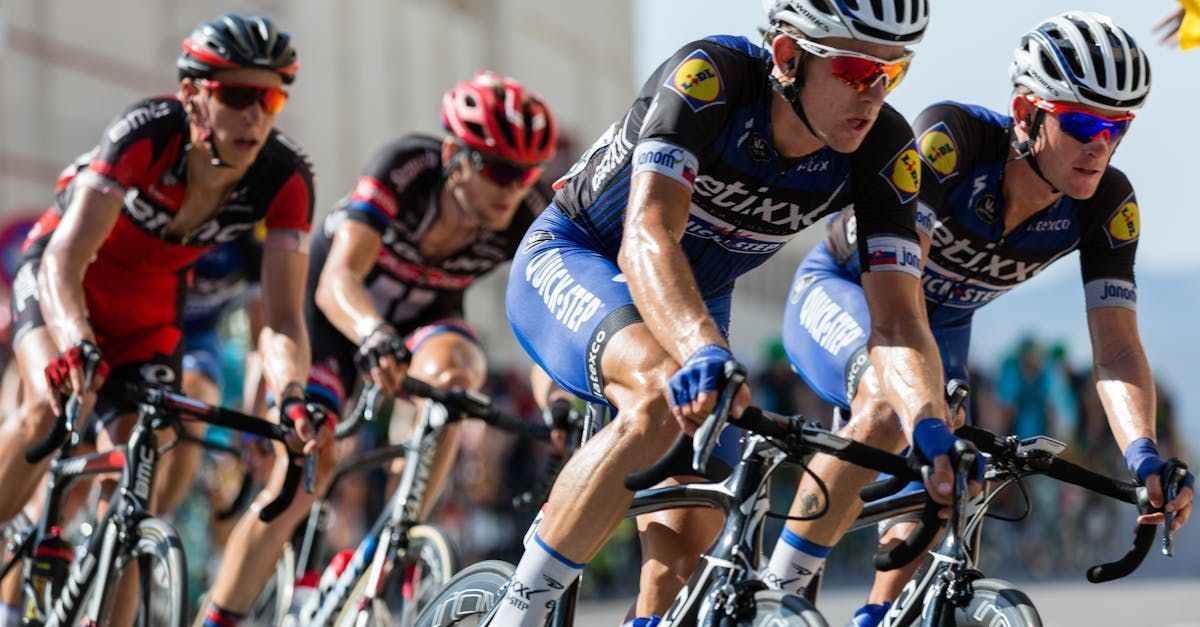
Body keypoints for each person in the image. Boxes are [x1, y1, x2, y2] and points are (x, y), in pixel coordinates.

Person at [498, 0, 973, 624]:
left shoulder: (884, 147)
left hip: (692, 296)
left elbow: (899, 323)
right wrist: (703, 350)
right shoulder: (711, 79)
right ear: (787, 57)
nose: (874, 94)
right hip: (584, 252)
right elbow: (647, 235)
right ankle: (517, 611)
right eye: (858, 71)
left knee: (688, 547)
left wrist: (929, 425)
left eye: (893, 74)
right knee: (656, 398)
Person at [769, 12, 1194, 626]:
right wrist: (928, 396)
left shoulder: (1109, 205)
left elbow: (1118, 350)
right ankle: (779, 587)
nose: (1099, 144)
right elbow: (895, 303)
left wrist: (1145, 456)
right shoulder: (952, 142)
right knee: (896, 406)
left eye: (1118, 127)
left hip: (942, 330)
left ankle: (878, 615)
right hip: (850, 293)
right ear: (1025, 114)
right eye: (1081, 123)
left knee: (950, 480)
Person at [198, 70, 561, 619]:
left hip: (425, 319)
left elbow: (547, 320)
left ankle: (401, 525)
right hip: (337, 319)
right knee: (300, 479)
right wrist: (372, 335)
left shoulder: (524, 211)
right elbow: (337, 278)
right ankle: (219, 614)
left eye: (524, 174)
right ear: (453, 156)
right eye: (495, 169)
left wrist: (557, 401)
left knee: (460, 375)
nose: (510, 189)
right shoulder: (405, 167)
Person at [0, 12, 321, 627]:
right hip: (64, 286)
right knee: (46, 404)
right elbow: (66, 259)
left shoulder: (285, 178)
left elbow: (281, 319)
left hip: (147, 312)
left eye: (272, 97)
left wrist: (292, 396)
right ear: (195, 95)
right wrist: (75, 341)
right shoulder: (146, 132)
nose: (256, 115)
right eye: (237, 95)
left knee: (138, 473)